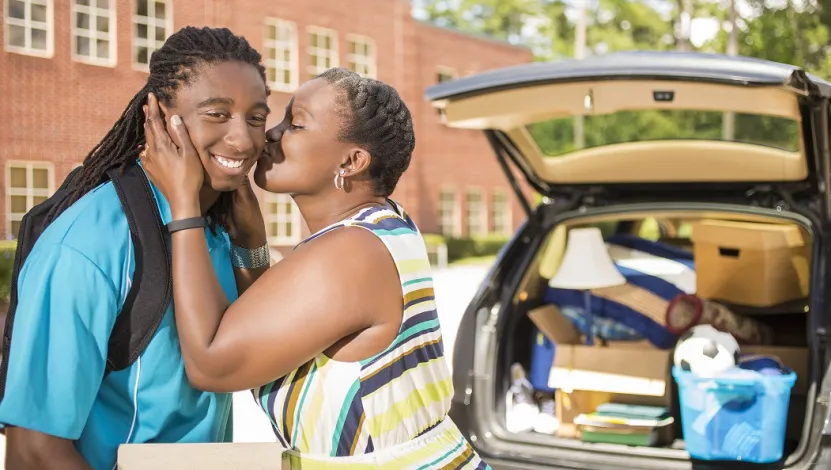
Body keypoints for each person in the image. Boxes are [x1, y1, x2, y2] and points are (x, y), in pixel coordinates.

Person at [140, 67, 489, 468]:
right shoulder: (383, 225)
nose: (273, 132)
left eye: (297, 124)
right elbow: (278, 328)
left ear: (352, 160)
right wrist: (251, 243)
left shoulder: (352, 252)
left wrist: (183, 206)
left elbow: (211, 365)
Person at [0, 26, 272, 470]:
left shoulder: (220, 227)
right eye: (217, 114)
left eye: (256, 117)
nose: (243, 140)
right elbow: (33, 452)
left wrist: (252, 245)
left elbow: (259, 352)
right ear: (161, 115)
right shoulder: (90, 242)